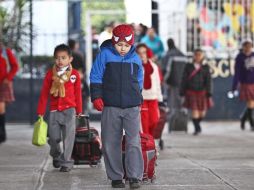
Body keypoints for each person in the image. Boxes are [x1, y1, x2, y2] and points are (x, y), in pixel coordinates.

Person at [90, 24, 144, 189]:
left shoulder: (135, 59)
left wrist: (137, 97)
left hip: (132, 107)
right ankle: (116, 177)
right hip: (111, 105)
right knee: (110, 141)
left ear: (131, 44)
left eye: (126, 45)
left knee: (133, 141)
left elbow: (139, 80)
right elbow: (96, 75)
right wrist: (97, 97)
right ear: (113, 42)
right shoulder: (104, 55)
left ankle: (134, 177)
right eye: (119, 45)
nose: (123, 49)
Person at [37, 44, 82, 172]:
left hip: (70, 110)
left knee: (69, 138)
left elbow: (78, 94)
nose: (60, 61)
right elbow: (44, 94)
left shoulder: (74, 75)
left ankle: (66, 163)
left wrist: (79, 110)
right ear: (54, 59)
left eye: (63, 58)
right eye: (57, 58)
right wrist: (40, 111)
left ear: (70, 59)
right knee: (53, 138)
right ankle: (56, 155)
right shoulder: (50, 74)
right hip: (54, 110)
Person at [180, 49, 213, 135]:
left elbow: (209, 80)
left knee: (202, 113)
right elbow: (184, 79)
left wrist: (209, 92)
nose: (198, 56)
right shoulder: (188, 66)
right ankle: (197, 128)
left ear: (202, 56)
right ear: (193, 56)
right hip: (191, 91)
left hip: (202, 92)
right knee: (195, 111)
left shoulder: (206, 67)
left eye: (200, 55)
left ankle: (197, 124)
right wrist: (182, 91)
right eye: (196, 54)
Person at [136, 43, 162, 136]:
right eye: (139, 53)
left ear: (147, 53)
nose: (142, 55)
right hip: (141, 99)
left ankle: (150, 142)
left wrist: (160, 98)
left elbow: (157, 82)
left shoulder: (154, 66)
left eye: (144, 52)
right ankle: (146, 145)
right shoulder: (134, 66)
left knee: (155, 121)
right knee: (144, 124)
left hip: (153, 97)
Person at [232, 39, 254, 131]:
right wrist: (234, 86)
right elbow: (237, 72)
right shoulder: (239, 57)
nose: (248, 48)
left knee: (252, 104)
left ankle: (243, 118)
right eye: (246, 46)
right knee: (250, 103)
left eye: (250, 46)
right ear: (243, 47)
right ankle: (252, 124)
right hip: (246, 83)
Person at [0, 42, 19, 143]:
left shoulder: (6, 52)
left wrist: (8, 78)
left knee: (1, 107)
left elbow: (15, 66)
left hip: (4, 84)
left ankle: (2, 134)